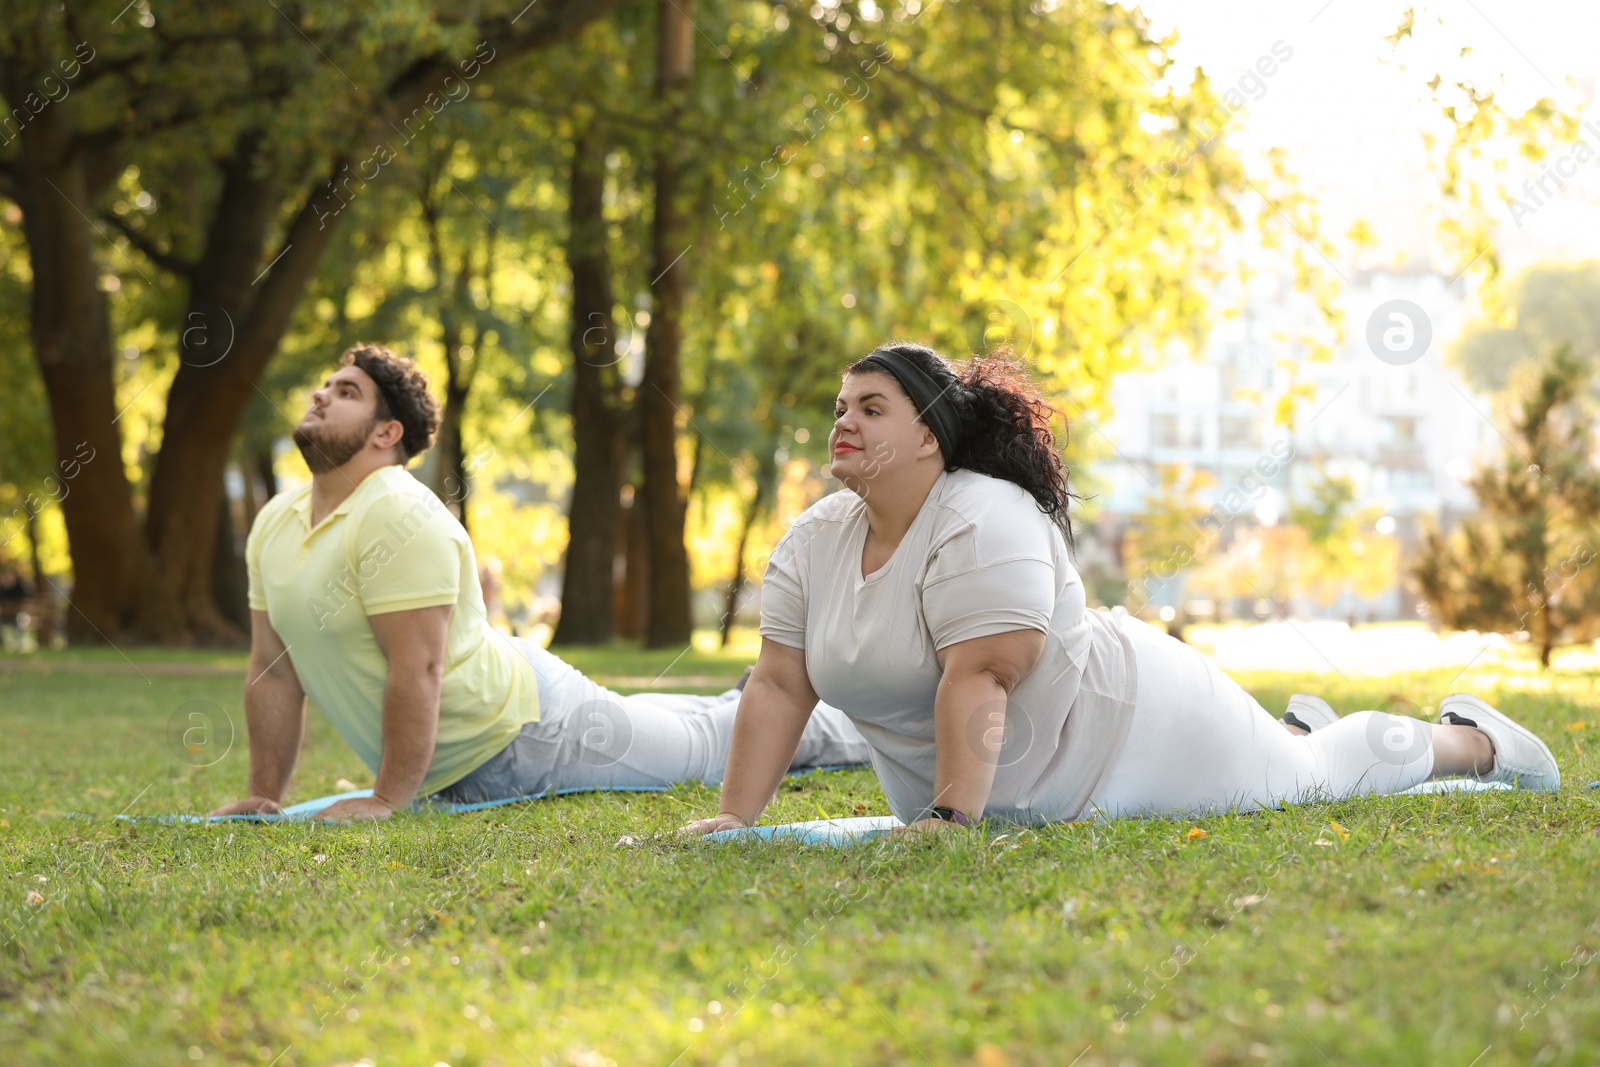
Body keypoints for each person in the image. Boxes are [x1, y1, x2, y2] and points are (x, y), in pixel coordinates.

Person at [680, 342, 1560, 836]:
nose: (845, 420)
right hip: (1000, 799)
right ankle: (1291, 727)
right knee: (1291, 757)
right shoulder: (813, 540)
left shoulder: (984, 517)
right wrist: (734, 819)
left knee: (1310, 778)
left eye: (872, 408)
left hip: (1140, 730)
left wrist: (948, 820)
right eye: (841, 406)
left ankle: (1473, 742)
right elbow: (780, 684)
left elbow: (980, 675)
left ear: (928, 439)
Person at [210, 344, 868, 822]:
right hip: (491, 727)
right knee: (679, 720)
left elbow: (420, 666)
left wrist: (386, 800)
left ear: (388, 433)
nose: (321, 394)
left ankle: (861, 725)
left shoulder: (397, 515)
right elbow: (273, 667)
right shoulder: (278, 520)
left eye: (346, 392)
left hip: (529, 735)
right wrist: (264, 794)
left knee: (706, 746)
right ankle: (747, 694)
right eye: (326, 385)